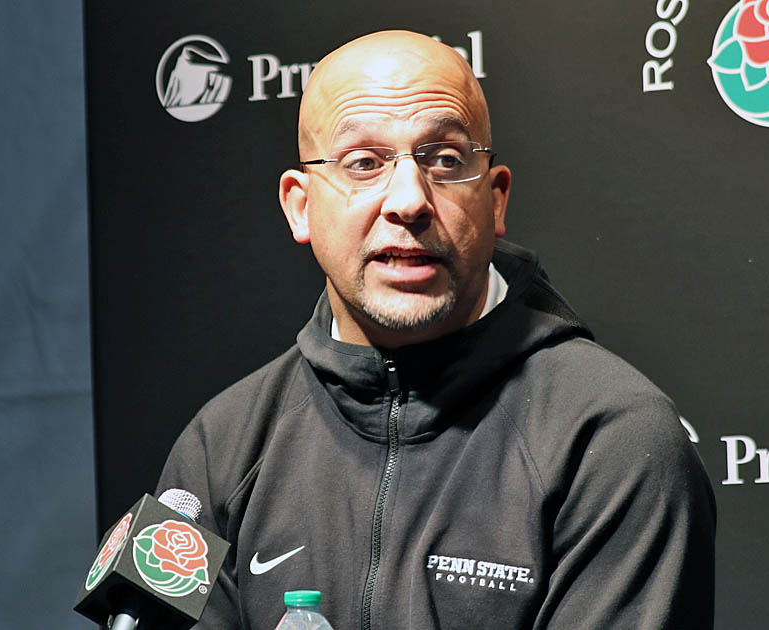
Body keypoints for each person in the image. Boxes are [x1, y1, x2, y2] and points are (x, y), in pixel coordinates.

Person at [158, 30, 715, 629]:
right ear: (300, 205)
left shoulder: (611, 439)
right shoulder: (222, 446)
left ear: (495, 200)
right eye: (364, 163)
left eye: (444, 160)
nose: (407, 200)